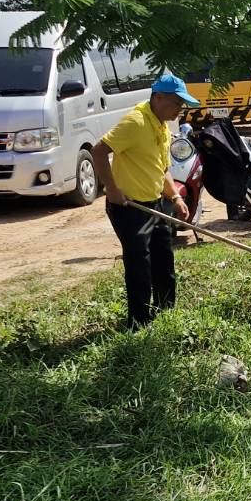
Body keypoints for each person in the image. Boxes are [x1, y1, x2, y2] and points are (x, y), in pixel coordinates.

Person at [93, 73, 201, 328]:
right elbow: (98, 151)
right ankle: (139, 321)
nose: (179, 110)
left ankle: (166, 310)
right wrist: (112, 189)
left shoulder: (162, 126)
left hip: (155, 204)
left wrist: (174, 196)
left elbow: (161, 168)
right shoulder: (136, 122)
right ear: (158, 97)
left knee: (164, 257)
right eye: (176, 103)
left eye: (181, 105)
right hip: (130, 207)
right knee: (139, 261)